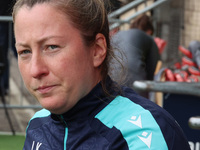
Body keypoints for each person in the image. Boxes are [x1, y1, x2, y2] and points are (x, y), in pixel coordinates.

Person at [13, 0, 190, 149]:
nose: (35, 70)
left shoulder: (142, 133)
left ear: (97, 50)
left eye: (52, 47)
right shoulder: (37, 125)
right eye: (25, 52)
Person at [111, 14, 160, 98]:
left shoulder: (119, 34)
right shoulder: (149, 39)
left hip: (111, 76)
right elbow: (151, 70)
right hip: (134, 77)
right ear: (149, 31)